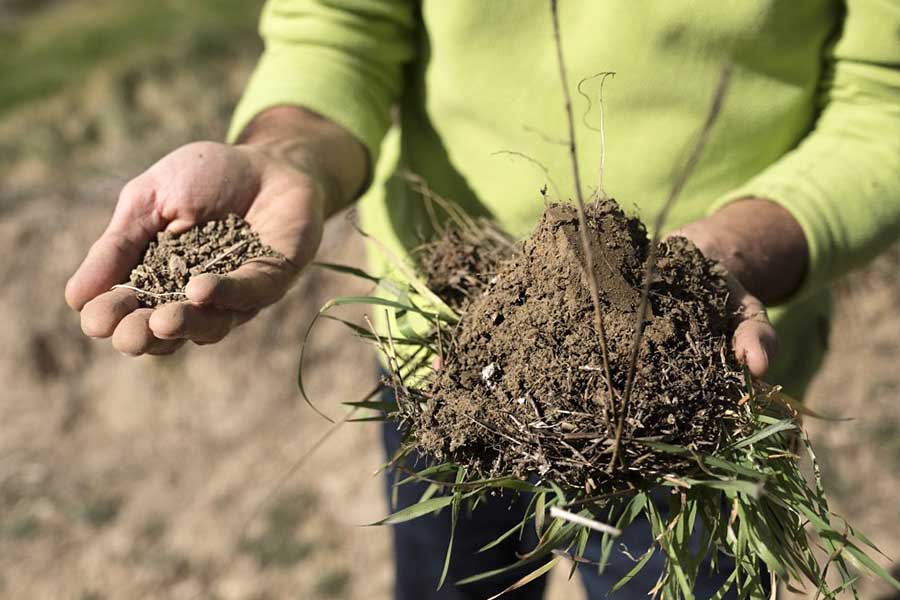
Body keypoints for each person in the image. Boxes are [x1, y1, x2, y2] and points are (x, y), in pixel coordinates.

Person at [65, 1, 900, 598]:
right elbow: (341, 27)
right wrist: (289, 158)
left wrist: (725, 254)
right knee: (450, 578)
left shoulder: (691, 328)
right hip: (444, 357)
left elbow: (883, 106)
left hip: (693, 385)